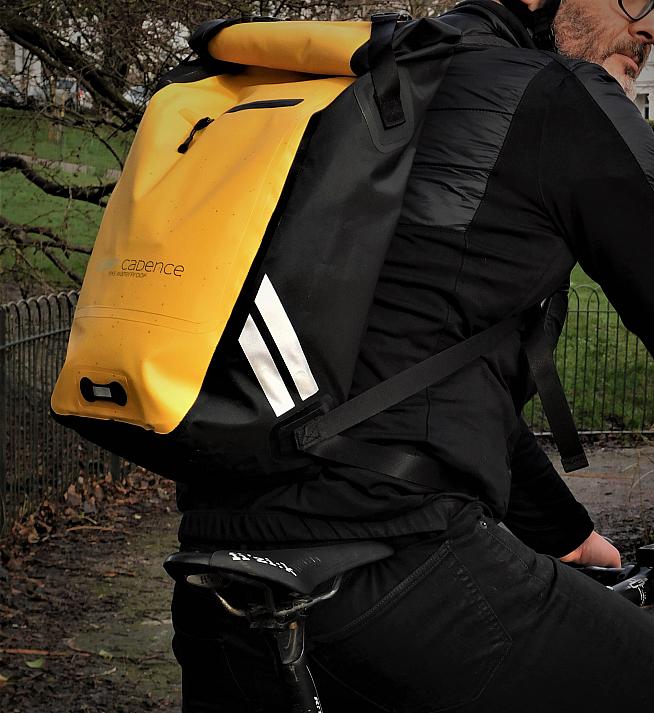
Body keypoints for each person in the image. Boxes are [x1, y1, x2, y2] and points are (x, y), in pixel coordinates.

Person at [171, 1, 654, 710]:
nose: (650, 27)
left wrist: (569, 535)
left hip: (217, 576)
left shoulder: (370, 86)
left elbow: (415, 377)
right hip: (393, 572)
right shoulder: (554, 95)